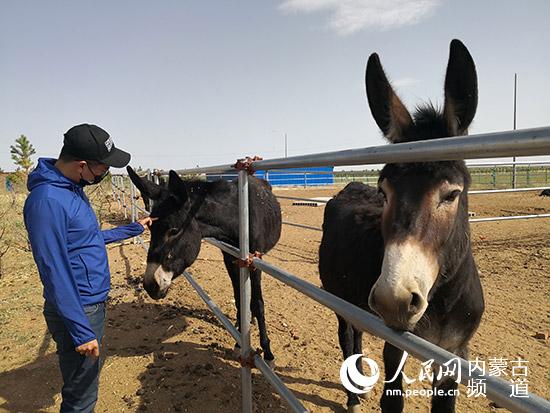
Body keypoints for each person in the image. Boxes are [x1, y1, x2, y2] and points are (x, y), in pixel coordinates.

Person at [24, 124, 152, 413]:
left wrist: (130, 230)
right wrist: (81, 331)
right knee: (81, 395)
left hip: (88, 303)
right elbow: (53, 269)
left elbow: (83, 240)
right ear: (82, 165)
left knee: (84, 386)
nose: (103, 175)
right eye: (102, 169)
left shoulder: (71, 189)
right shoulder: (47, 201)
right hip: (79, 308)